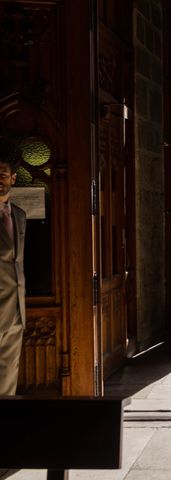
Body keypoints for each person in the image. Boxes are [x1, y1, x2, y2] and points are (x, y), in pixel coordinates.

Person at [0, 137, 26, 396]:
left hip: (16, 313)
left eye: (3, 174)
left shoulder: (19, 215)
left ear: (13, 179)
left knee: (8, 380)